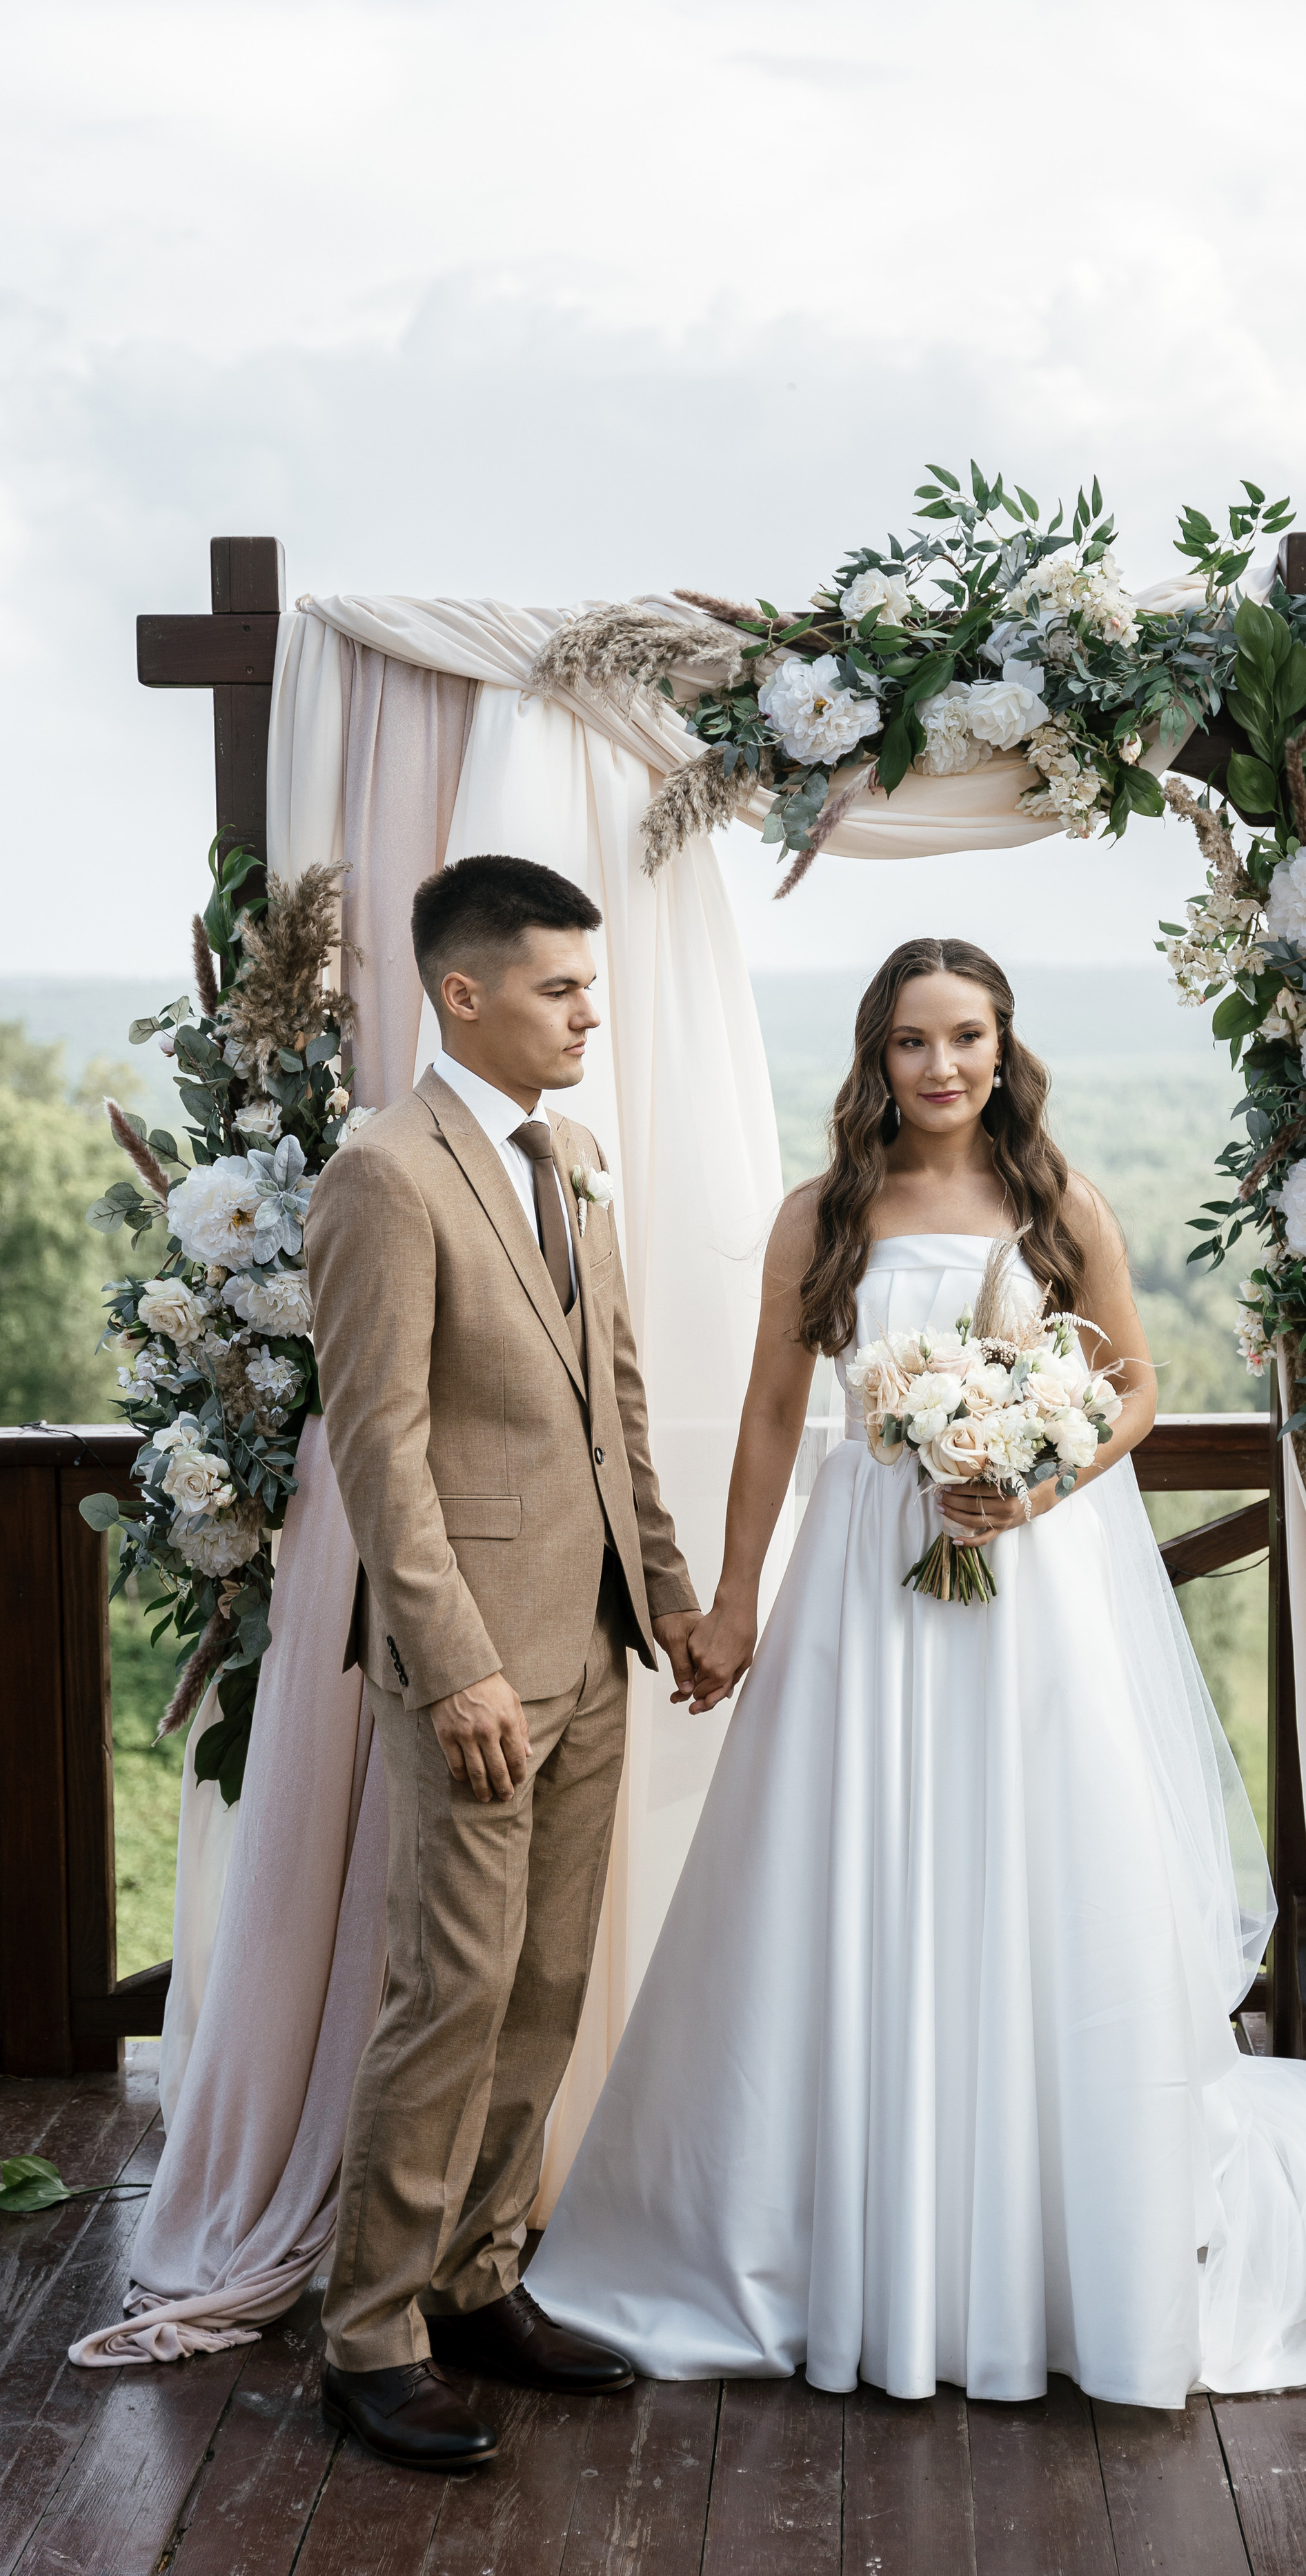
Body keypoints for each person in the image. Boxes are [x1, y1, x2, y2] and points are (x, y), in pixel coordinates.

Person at [526, 937, 1306, 2408]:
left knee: (1038, 1877)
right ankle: (820, 2246)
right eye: (911, 1042)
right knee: (841, 1882)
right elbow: (776, 1418)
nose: (940, 1067)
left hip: (1030, 1588)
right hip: (863, 1586)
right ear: (875, 1058)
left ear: (1002, 1044)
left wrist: (1037, 1484)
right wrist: (736, 1604)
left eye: (964, 1036)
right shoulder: (820, 1216)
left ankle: (1049, 2249)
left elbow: (1140, 1384)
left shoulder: (1055, 1205)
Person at [304, 853, 701, 2469]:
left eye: (589, 985)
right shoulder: (384, 1176)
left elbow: (614, 1395)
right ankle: (367, 2333)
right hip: (470, 1665)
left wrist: (665, 1592)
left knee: (544, 1984)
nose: (585, 1012)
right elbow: (379, 1449)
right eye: (557, 987)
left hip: (594, 1642)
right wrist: (454, 1663)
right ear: (460, 993)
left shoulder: (577, 1155)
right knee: (448, 1990)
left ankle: (478, 2282)